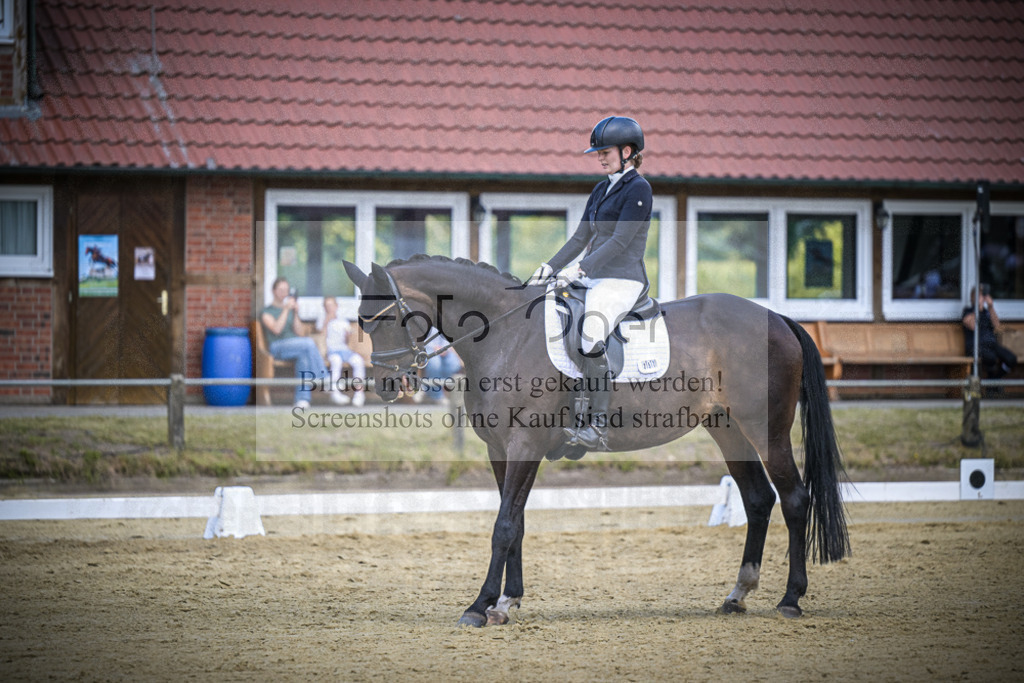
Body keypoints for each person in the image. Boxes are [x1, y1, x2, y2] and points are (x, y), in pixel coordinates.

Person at [527, 115, 652, 450]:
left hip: (623, 280)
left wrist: (579, 270)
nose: (599, 156)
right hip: (595, 277)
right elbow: (581, 236)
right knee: (554, 318)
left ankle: (598, 427)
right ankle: (570, 416)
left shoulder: (639, 189)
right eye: (597, 152)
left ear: (627, 151)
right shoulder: (601, 188)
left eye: (606, 151)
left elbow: (620, 242)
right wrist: (548, 268)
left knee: (591, 332)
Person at [261, 277, 328, 409]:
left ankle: (302, 400)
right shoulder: (267, 312)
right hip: (277, 347)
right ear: (273, 291)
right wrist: (285, 310)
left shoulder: (291, 311)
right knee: (308, 343)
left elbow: (300, 333)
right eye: (281, 290)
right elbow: (276, 329)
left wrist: (296, 313)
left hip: (296, 347)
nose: (284, 293)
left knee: (304, 358)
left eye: (286, 290)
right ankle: (324, 379)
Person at [962, 284, 1017, 379]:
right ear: (973, 297)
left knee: (1011, 359)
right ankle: (991, 385)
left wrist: (991, 307)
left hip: (991, 344)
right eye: (979, 295)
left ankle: (995, 380)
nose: (982, 298)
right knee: (991, 358)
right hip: (975, 346)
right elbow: (972, 326)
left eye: (983, 295)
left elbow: (997, 325)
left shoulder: (987, 312)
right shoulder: (968, 311)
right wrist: (977, 309)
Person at [321, 296, 366, 407]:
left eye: (331, 306)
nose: (330, 308)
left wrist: (347, 336)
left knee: (358, 361)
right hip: (331, 351)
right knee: (336, 362)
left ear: (336, 307)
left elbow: (347, 341)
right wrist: (327, 320)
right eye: (327, 306)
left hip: (344, 350)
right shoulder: (322, 319)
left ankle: (359, 394)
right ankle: (335, 393)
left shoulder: (342, 321)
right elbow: (320, 335)